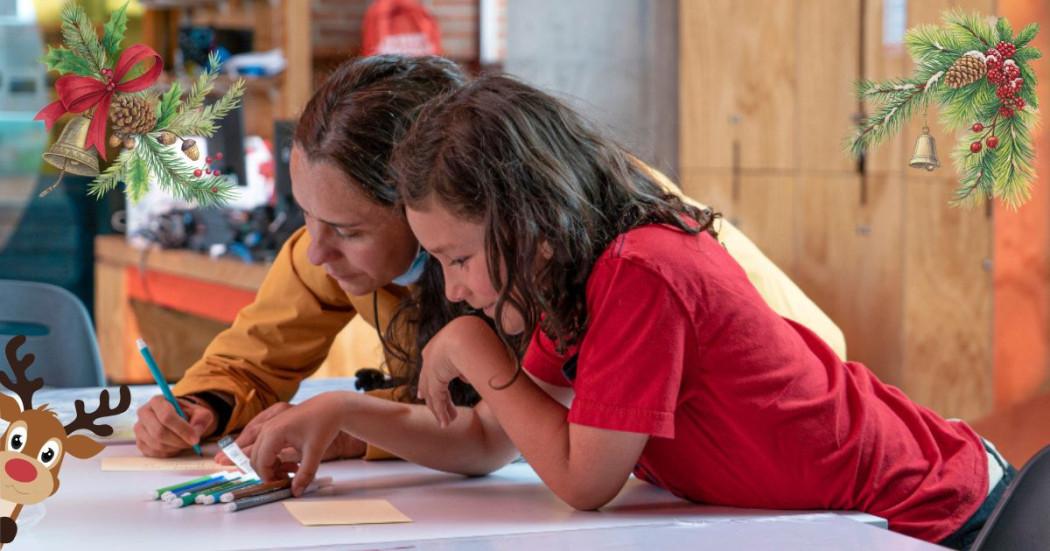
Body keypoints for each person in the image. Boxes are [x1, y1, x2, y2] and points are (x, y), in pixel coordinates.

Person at [251, 74, 1010, 550]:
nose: (452, 288)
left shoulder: (640, 270)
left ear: (526, 220)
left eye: (457, 258)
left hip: (939, 516)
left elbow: (584, 481)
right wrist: (347, 412)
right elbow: (490, 440)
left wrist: (477, 351)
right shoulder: (567, 276)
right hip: (835, 520)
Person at [134, 55, 845, 477]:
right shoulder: (341, 247)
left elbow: (529, 440)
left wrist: (352, 426)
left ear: (426, 199)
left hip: (778, 453)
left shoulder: (574, 236)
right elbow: (481, 432)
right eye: (306, 218)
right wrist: (207, 403)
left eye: (345, 228)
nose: (315, 251)